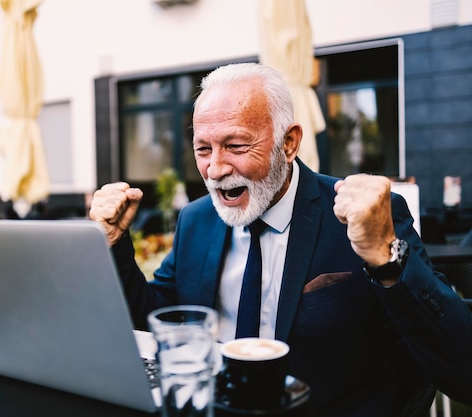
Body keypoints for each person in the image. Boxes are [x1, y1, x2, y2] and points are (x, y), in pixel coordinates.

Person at [89, 63, 472, 416]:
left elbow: (460, 367)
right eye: (203, 149)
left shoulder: (363, 216)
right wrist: (115, 247)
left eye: (236, 146)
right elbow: (159, 320)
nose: (216, 169)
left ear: (288, 143)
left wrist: (386, 259)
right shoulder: (197, 219)